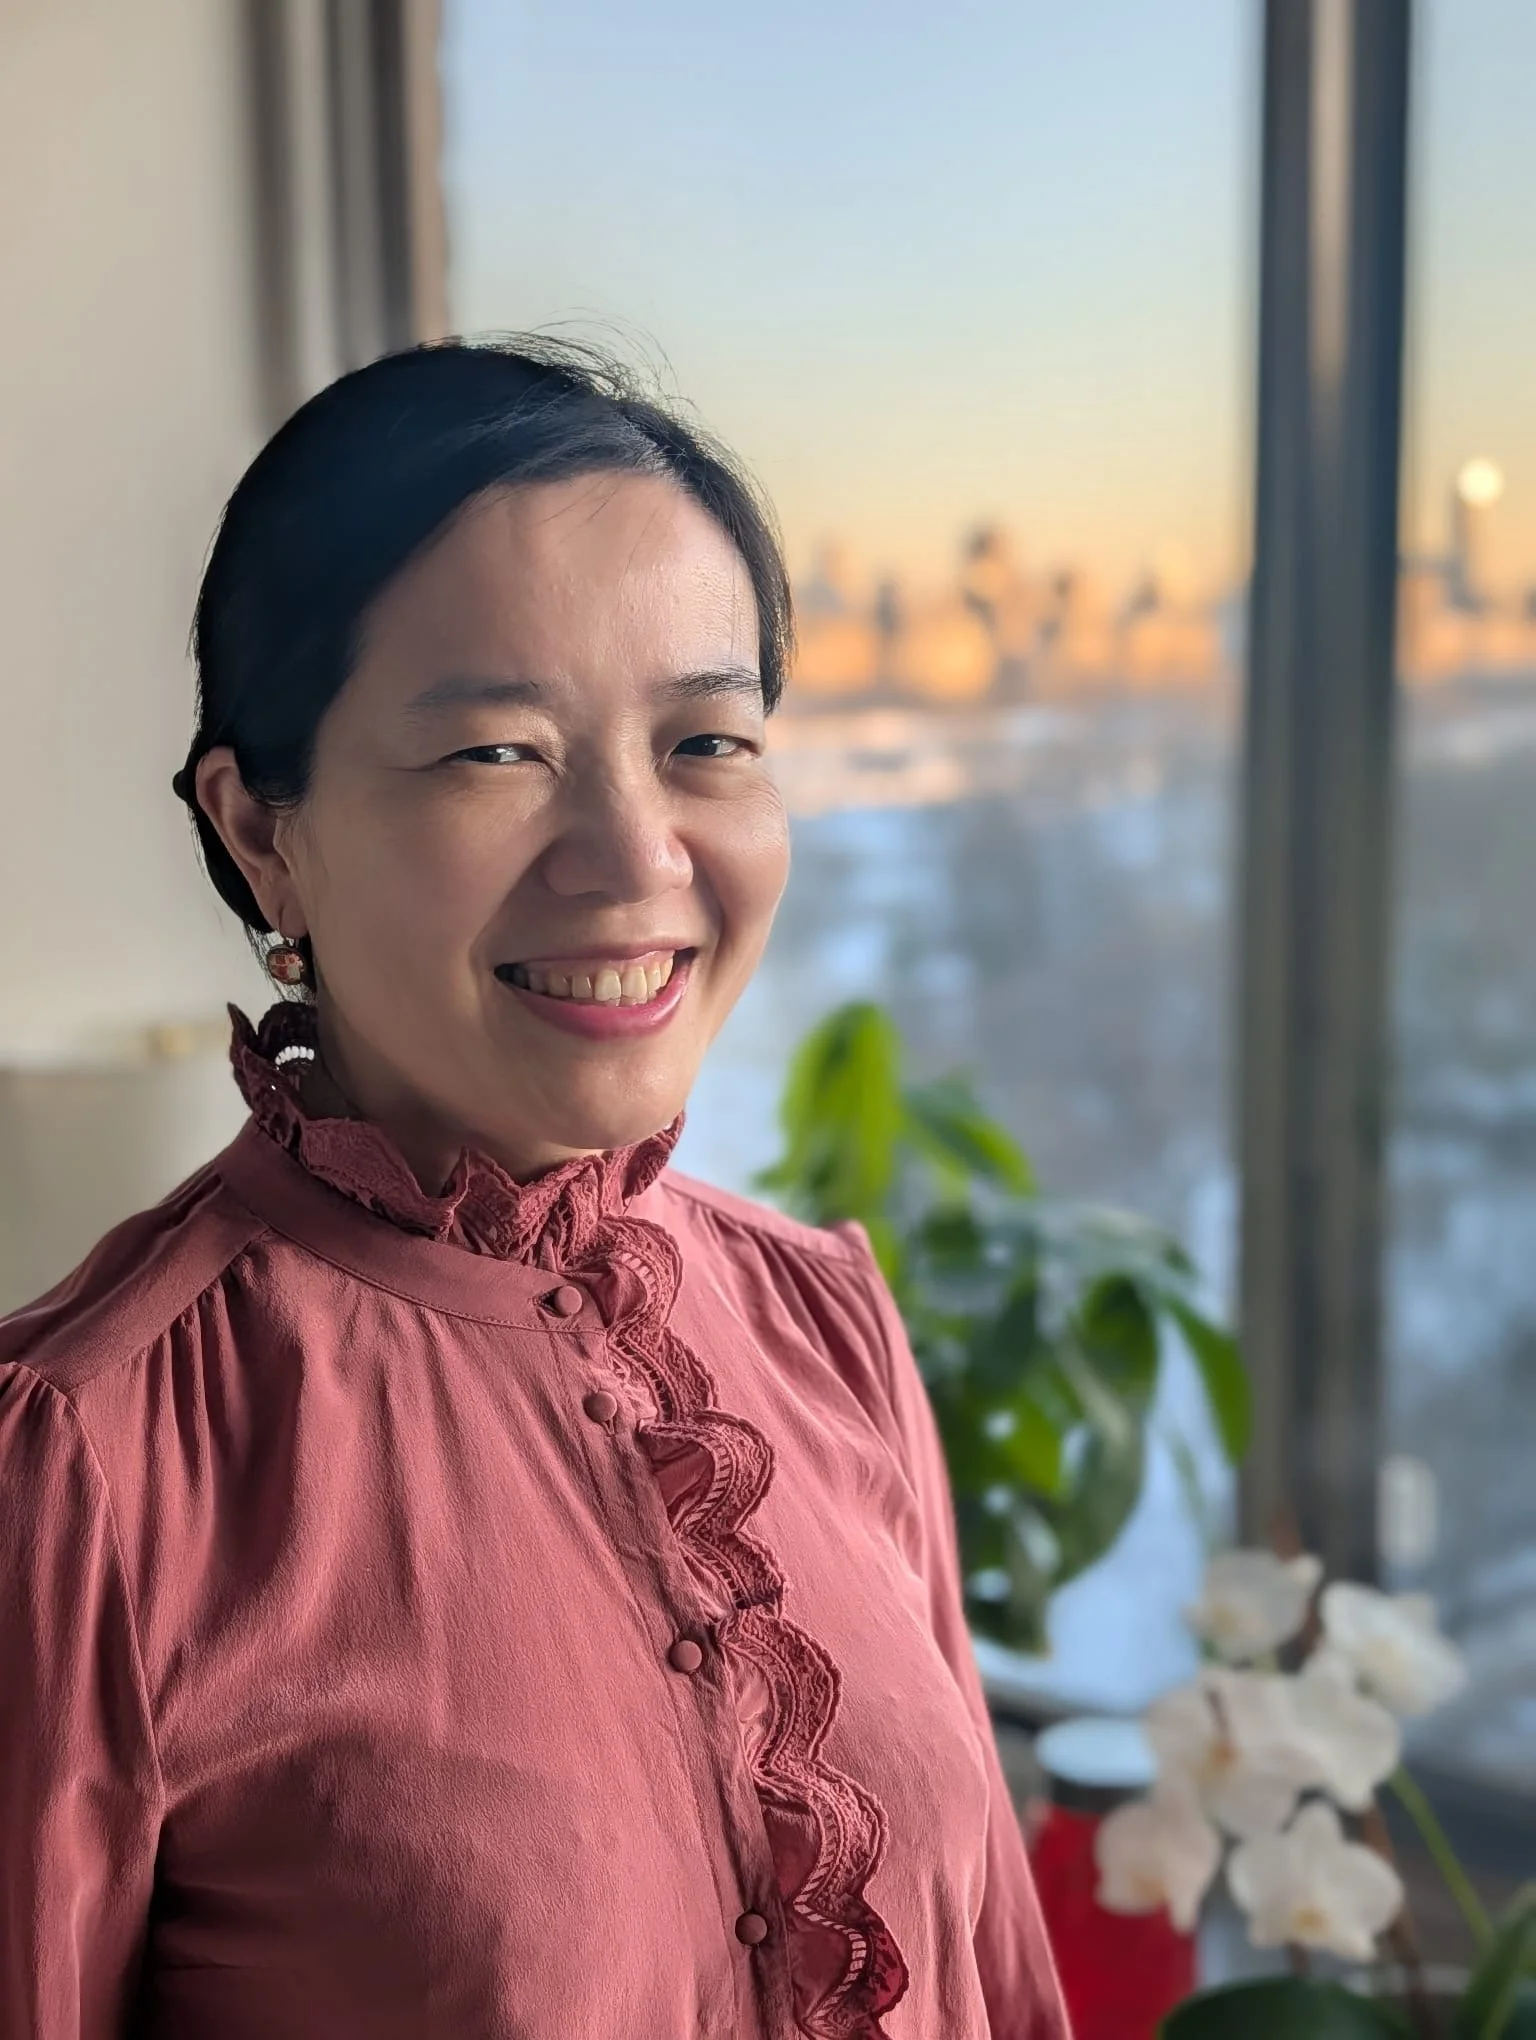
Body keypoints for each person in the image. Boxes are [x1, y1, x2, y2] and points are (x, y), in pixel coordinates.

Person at [0, 339, 1069, 2039]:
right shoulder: (88, 1470)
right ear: (262, 831)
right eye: (497, 753)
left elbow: (1003, 1995)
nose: (636, 857)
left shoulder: (824, 1326)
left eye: (707, 740)